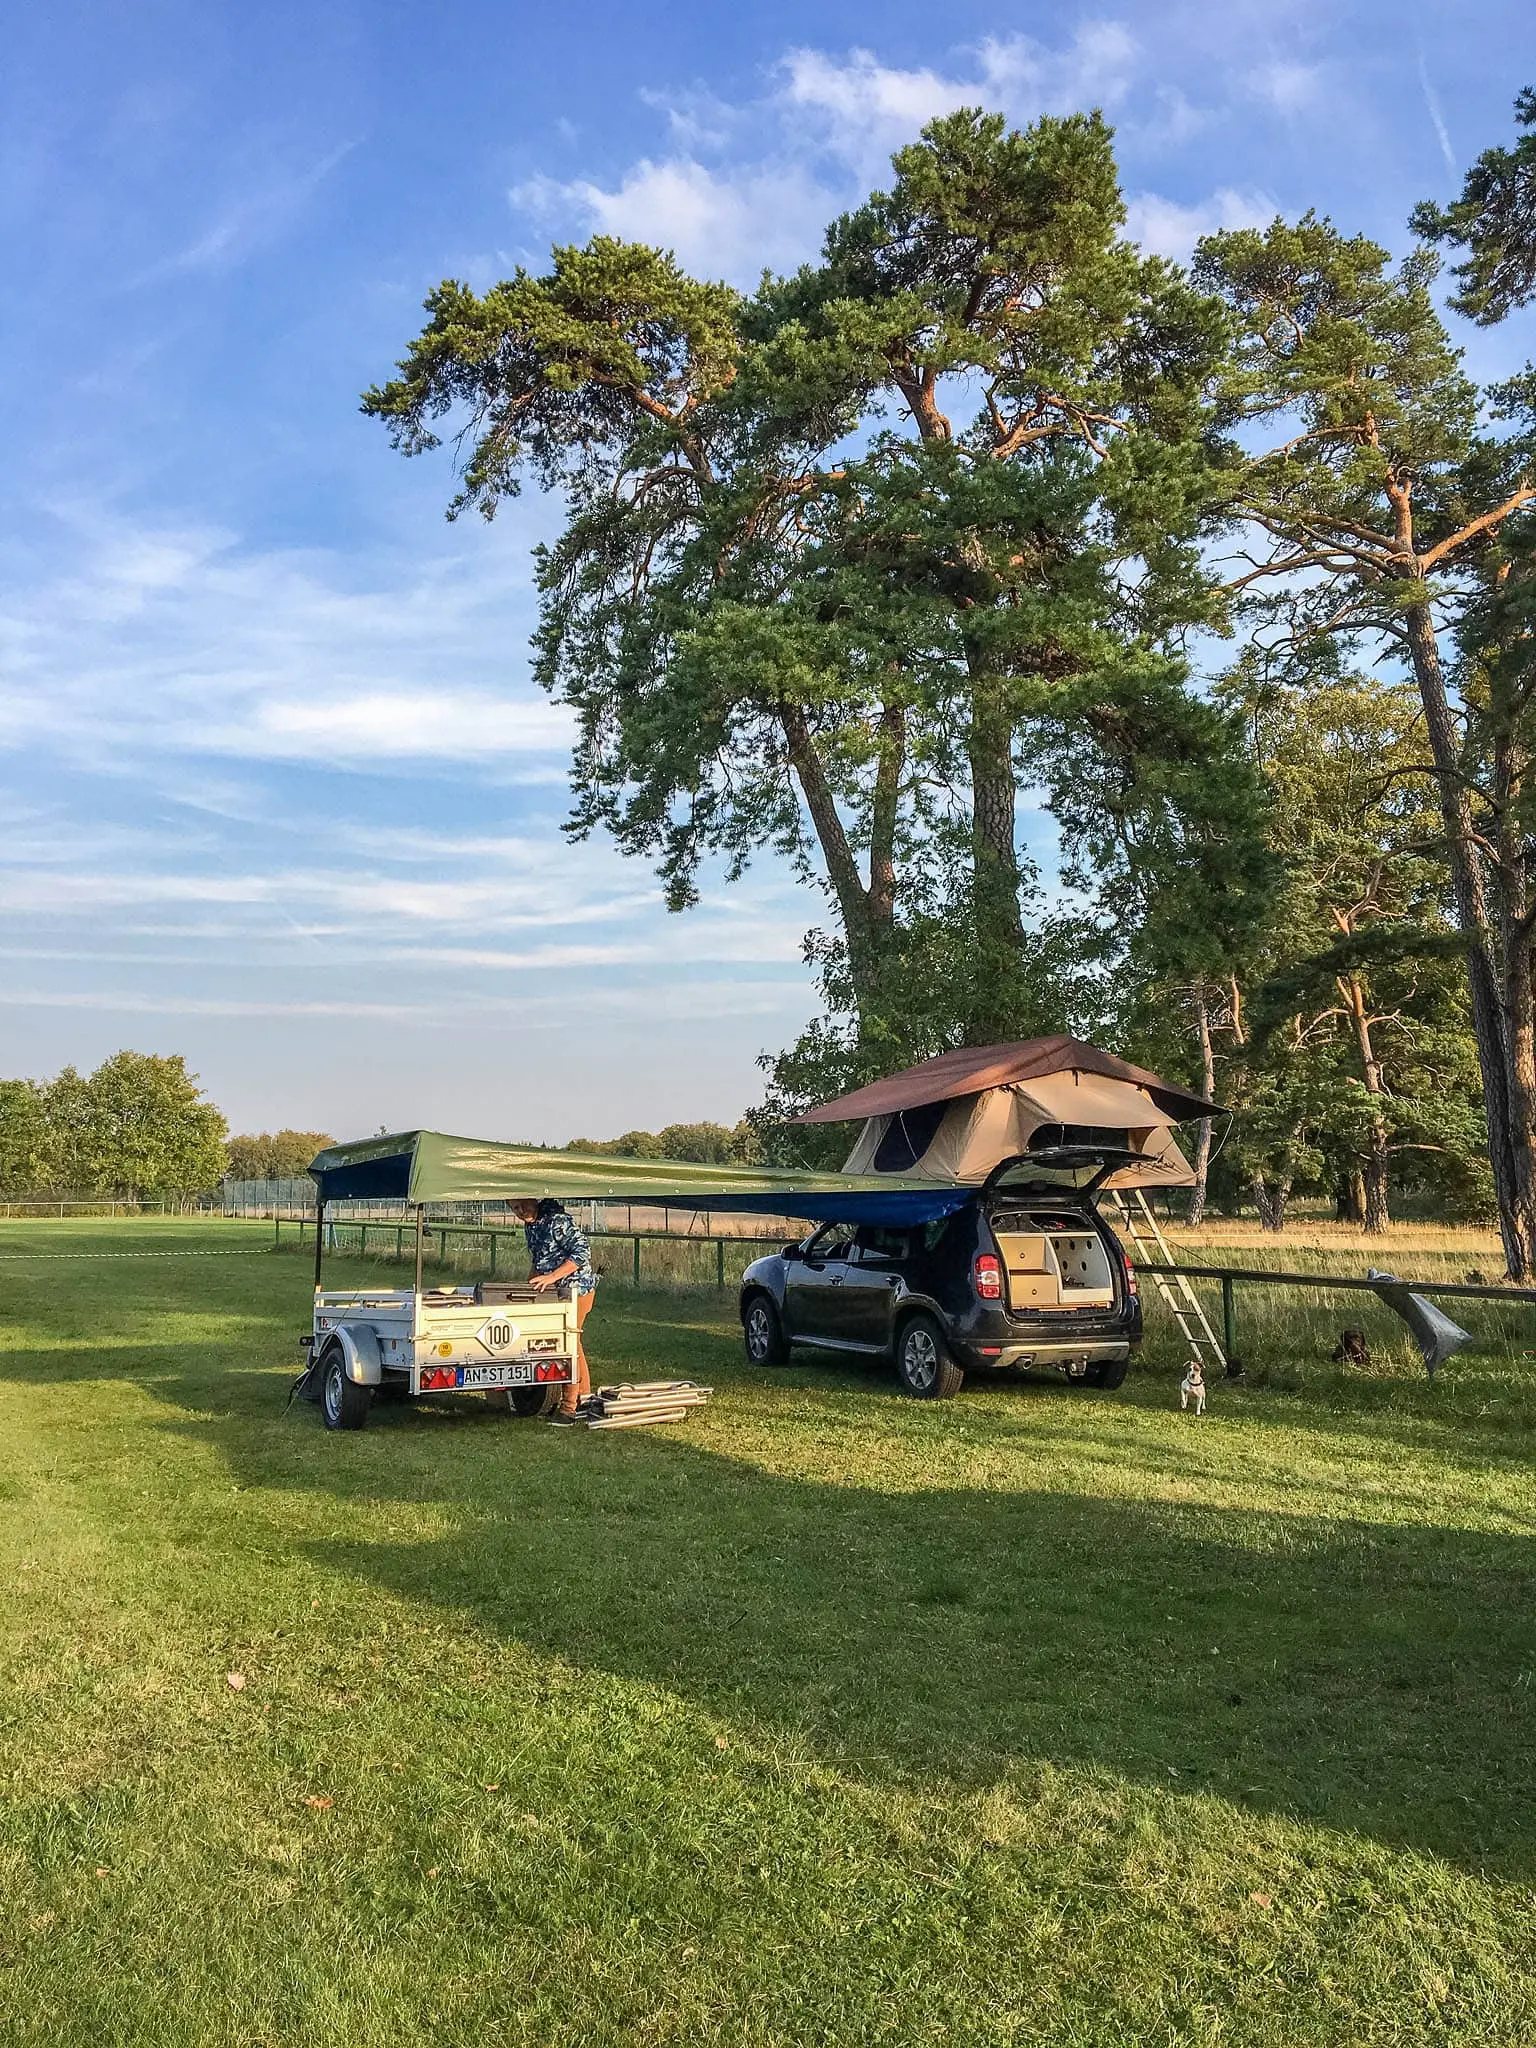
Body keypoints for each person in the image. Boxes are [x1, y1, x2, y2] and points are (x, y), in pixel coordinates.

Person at [511, 1197, 596, 1422]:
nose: (521, 1211)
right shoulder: (530, 1226)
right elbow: (538, 1258)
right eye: (515, 1208)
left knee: (568, 1343)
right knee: (566, 1344)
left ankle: (570, 1407)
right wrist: (530, 1283)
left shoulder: (557, 1221)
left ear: (533, 1200)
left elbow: (581, 1254)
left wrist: (551, 1277)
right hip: (553, 1291)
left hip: (577, 1288)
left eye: (523, 1205)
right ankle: (585, 1398)